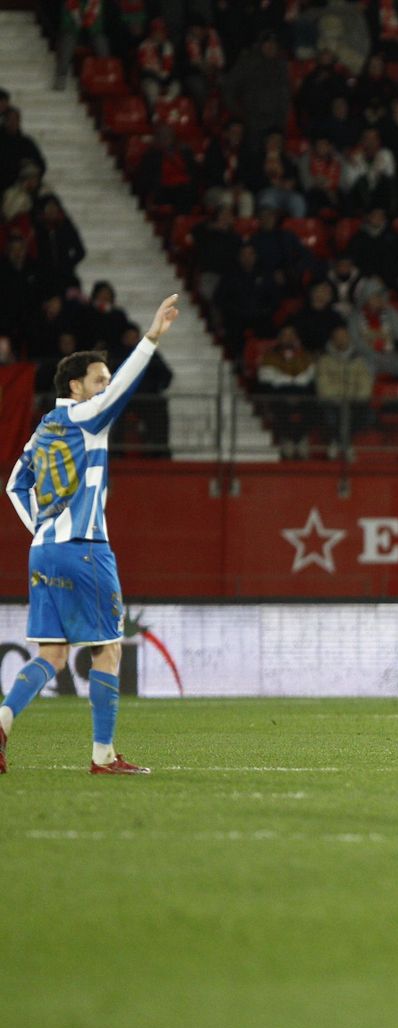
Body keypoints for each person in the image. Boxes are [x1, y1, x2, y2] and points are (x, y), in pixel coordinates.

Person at [0, 294, 181, 776]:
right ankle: (103, 755)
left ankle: (2, 721)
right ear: (75, 386)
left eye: (105, 380)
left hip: (44, 552)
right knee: (108, 648)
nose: (105, 387)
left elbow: (15, 485)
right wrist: (152, 337)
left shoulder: (43, 430)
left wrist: (43, 528)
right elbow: (122, 390)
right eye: (98, 380)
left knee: (52, 655)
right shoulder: (86, 418)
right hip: (85, 550)